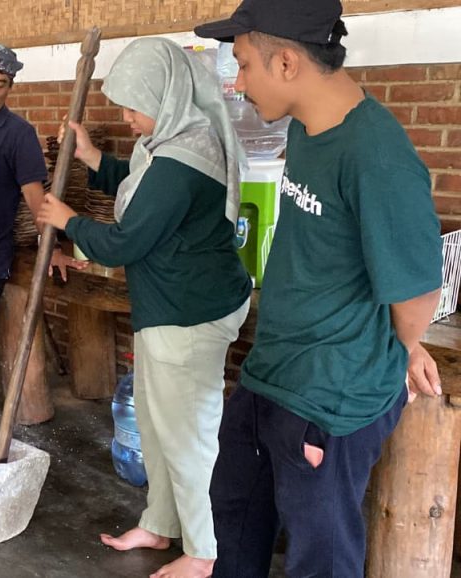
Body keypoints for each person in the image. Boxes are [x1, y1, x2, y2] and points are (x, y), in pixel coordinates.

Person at [194, 1, 444, 576]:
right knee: (234, 514)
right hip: (271, 374)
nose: (239, 83)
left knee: (320, 556)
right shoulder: (306, 129)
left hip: (330, 399)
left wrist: (401, 350)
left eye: (243, 64)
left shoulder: (377, 156)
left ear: (286, 63)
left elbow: (416, 291)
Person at [38, 37, 253, 578]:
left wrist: (67, 221)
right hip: (170, 307)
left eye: (135, 107)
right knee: (158, 427)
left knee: (187, 437)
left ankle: (203, 551)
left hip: (189, 315)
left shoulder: (183, 160)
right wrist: (93, 159)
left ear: (166, 96)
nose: (128, 118)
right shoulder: (172, 140)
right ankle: (160, 524)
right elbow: (139, 182)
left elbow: (124, 241)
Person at [0, 43, 87, 441]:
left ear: (11, 88)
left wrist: (51, 246)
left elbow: (36, 198)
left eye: (0, 84)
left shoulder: (18, 134)